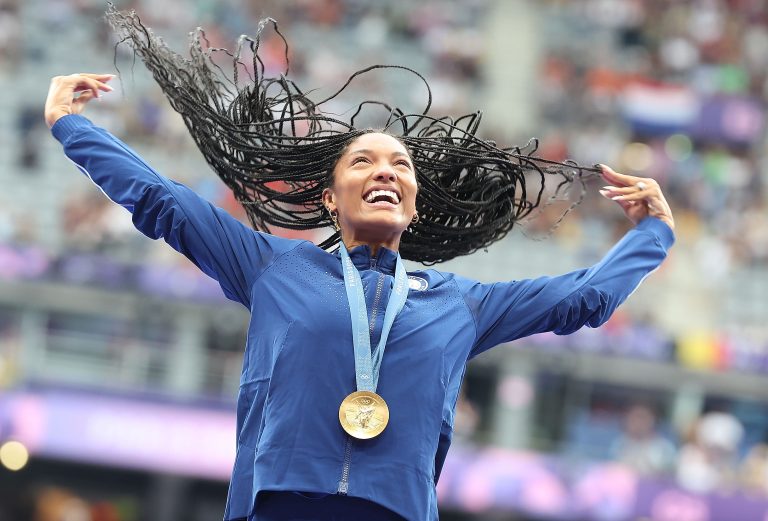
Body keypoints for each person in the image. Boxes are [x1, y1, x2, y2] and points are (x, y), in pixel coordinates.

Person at [45, 11, 674, 521]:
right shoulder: (275, 268)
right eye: (363, 162)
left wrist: (655, 233)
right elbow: (165, 204)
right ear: (330, 197)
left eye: (400, 166)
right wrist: (72, 126)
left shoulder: (462, 302)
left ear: (414, 202)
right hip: (278, 504)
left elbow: (583, 299)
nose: (384, 171)